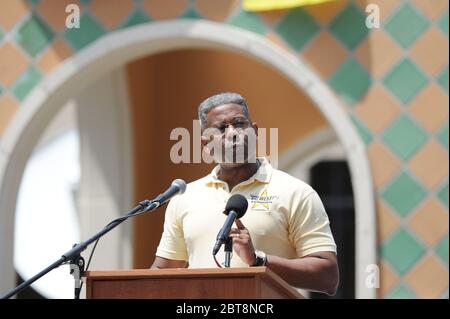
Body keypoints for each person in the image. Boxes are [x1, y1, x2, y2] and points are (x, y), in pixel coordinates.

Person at [151, 92, 339, 295]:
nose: (233, 133)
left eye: (239, 124)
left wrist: (258, 260)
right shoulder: (185, 198)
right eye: (222, 128)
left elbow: (327, 276)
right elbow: (163, 270)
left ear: (255, 132)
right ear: (205, 144)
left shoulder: (295, 192)